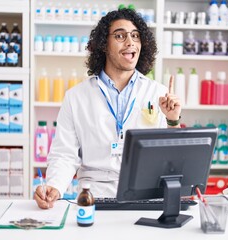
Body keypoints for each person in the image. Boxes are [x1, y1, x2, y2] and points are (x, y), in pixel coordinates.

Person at [34, 8, 181, 209]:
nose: (130, 42)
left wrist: (173, 121)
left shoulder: (159, 93)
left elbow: (171, 158)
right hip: (95, 197)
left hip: (145, 197)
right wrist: (54, 186)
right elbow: (64, 154)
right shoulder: (76, 96)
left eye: (136, 36)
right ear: (104, 45)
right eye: (120, 36)